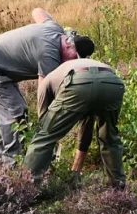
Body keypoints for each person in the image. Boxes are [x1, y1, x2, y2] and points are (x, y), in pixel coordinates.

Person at [0, 7, 96, 161]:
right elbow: (44, 95)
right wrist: (48, 129)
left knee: (16, 109)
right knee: (14, 112)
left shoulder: (56, 29)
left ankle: (0, 155)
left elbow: (37, 11)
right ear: (69, 45)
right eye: (74, 58)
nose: (73, 63)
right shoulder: (49, 55)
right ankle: (7, 163)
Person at [23, 53, 126, 188]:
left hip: (78, 81)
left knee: (44, 136)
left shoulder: (46, 81)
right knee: (109, 138)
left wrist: (50, 135)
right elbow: (86, 125)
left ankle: (26, 186)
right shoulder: (68, 68)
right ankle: (118, 188)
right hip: (112, 82)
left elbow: (44, 121)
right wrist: (76, 168)